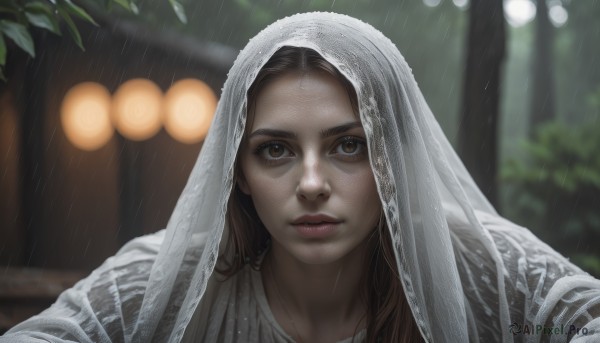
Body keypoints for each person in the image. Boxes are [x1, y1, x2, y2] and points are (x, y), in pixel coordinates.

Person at [2, 12, 600, 343]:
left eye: (348, 145)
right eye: (276, 150)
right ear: (237, 170)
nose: (312, 182)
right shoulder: (171, 281)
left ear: (392, 159)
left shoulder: (473, 263)